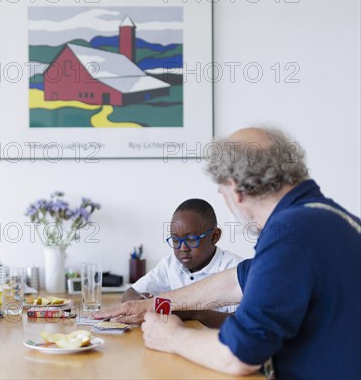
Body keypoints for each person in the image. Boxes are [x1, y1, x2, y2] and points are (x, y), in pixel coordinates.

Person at [95, 127, 361, 379]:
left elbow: (238, 355)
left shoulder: (288, 233)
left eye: (222, 193)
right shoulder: (321, 217)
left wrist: (171, 336)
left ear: (236, 188)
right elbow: (236, 280)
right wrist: (151, 305)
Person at [122, 199, 242, 318]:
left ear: (214, 237)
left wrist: (192, 313)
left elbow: (244, 322)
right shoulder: (170, 264)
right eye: (175, 240)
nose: (183, 248)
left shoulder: (235, 269)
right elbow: (129, 294)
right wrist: (143, 302)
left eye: (191, 239)